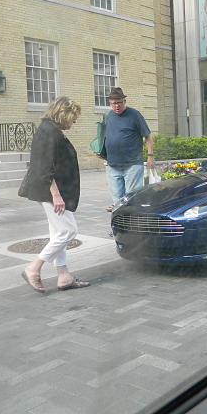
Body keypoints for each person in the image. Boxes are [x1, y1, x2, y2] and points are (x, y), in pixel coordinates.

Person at [18, 97, 89, 293]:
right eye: (73, 118)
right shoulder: (49, 132)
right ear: (63, 115)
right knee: (68, 231)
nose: (74, 122)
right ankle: (33, 268)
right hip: (51, 192)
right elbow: (44, 168)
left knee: (58, 233)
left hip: (52, 191)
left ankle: (64, 276)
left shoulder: (50, 130)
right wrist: (56, 196)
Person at [103, 87, 154, 211]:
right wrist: (101, 152)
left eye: (119, 102)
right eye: (114, 103)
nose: (117, 106)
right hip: (113, 165)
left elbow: (147, 135)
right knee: (117, 202)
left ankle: (133, 227)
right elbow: (105, 136)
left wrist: (150, 156)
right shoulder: (108, 116)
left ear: (124, 101)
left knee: (132, 199)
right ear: (110, 103)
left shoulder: (134, 114)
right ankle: (118, 228)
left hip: (132, 165)